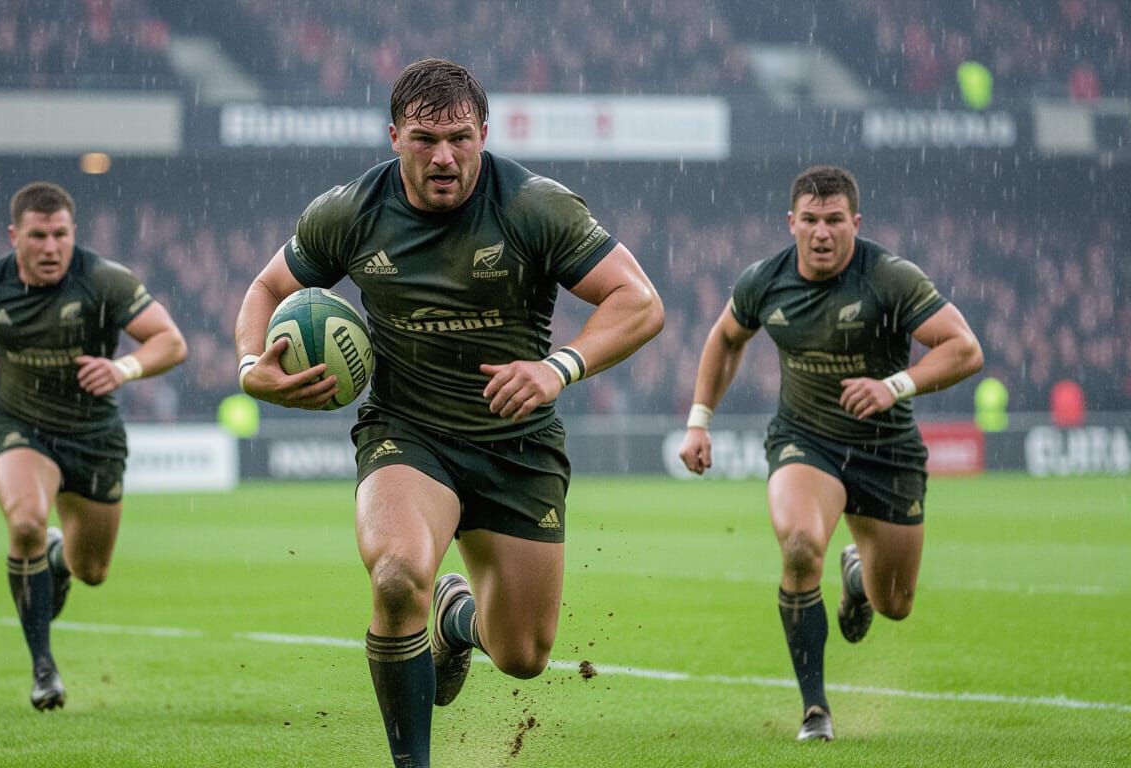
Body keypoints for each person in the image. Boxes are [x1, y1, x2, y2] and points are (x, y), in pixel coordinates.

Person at [235, 58, 664, 767]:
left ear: (484, 134)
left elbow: (640, 302)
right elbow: (266, 287)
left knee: (523, 655)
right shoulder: (349, 212)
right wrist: (252, 366)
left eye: (461, 139)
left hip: (516, 443)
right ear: (394, 137)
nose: (444, 156)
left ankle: (456, 619)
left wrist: (558, 367)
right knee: (397, 574)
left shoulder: (533, 206)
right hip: (408, 433)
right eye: (425, 139)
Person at [677, 165, 984, 741]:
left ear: (855, 223)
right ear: (791, 223)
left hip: (886, 450)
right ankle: (815, 710)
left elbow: (965, 349)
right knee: (798, 546)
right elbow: (725, 337)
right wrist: (699, 421)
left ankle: (859, 577)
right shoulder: (763, 280)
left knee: (895, 604)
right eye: (811, 220)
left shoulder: (889, 276)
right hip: (806, 440)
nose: (822, 232)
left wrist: (894, 385)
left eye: (835, 220)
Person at [0, 182, 187, 710]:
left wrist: (123, 368)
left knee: (92, 571)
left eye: (61, 234)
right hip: (21, 427)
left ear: (73, 232)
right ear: (14, 236)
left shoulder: (102, 278)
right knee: (25, 524)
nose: (51, 247)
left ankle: (57, 560)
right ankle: (43, 668)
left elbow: (171, 342)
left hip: (94, 437)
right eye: (38, 236)